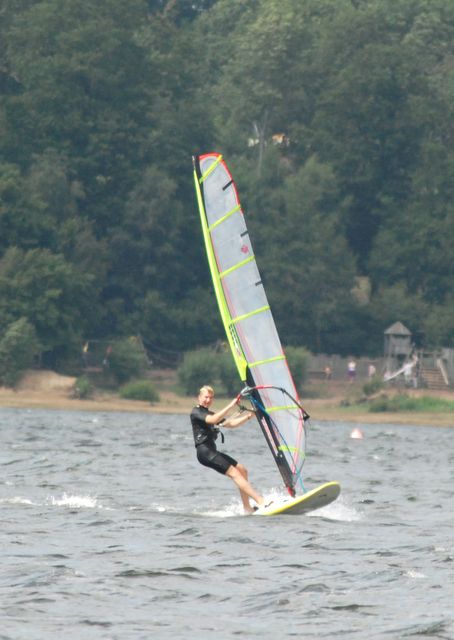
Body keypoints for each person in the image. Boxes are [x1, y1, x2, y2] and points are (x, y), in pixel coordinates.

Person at [190, 385, 266, 514]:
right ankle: (261, 501)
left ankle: (247, 508)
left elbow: (231, 424)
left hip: (211, 451)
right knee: (234, 473)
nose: (208, 400)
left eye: (211, 398)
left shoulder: (209, 413)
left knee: (242, 470)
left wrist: (250, 415)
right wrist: (231, 405)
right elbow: (213, 420)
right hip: (204, 452)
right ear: (199, 397)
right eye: (206, 397)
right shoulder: (196, 412)